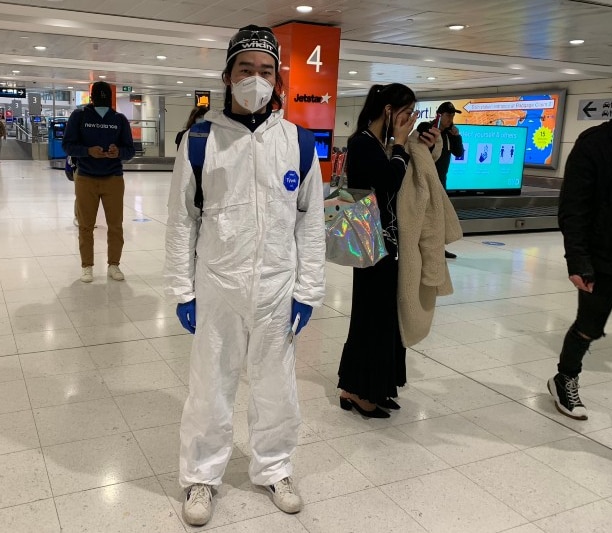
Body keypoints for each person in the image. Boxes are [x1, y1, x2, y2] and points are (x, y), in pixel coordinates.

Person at [164, 25, 326, 526]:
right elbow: (179, 221)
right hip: (218, 285)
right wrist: (182, 289)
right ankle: (201, 478)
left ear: (277, 80)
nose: (255, 79)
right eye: (245, 69)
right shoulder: (200, 140)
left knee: (277, 387)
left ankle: (274, 467)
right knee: (210, 386)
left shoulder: (297, 142)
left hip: (278, 289)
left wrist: (308, 290)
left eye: (265, 71)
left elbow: (312, 220)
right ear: (227, 75)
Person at [548, 54, 612, 479]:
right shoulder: (595, 144)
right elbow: (574, 209)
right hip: (605, 262)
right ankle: (564, 378)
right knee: (588, 328)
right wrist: (578, 260)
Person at [337, 84, 440, 419]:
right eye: (406, 112)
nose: (411, 119)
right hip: (370, 244)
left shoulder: (383, 144)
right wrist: (399, 145)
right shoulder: (362, 143)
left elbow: (411, 177)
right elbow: (386, 181)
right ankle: (361, 390)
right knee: (372, 319)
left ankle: (366, 387)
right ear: (388, 111)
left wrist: (422, 145)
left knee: (385, 319)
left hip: (389, 244)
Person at [62, 81, 135, 283]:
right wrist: (88, 151)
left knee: (115, 225)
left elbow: (130, 150)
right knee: (86, 225)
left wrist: (118, 152)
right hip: (86, 177)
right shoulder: (80, 116)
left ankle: (114, 265)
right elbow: (67, 145)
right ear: (93, 97)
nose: (102, 98)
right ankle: (87, 266)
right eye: (100, 95)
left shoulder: (119, 119)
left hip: (113, 177)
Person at [419, 101, 464, 258]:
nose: (451, 118)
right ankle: (424, 246)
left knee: (439, 215)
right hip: (426, 180)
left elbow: (458, 153)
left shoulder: (449, 134)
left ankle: (438, 247)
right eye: (448, 115)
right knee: (426, 215)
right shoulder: (429, 130)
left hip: (441, 181)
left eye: (452, 115)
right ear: (440, 115)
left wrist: (457, 136)